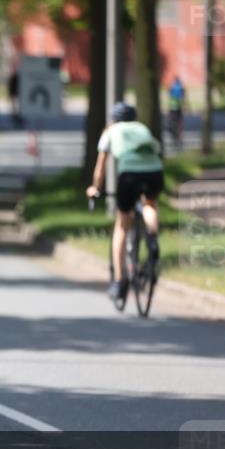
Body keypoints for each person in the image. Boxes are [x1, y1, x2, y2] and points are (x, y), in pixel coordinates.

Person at [86, 102, 164, 301]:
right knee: (149, 204)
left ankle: (120, 282)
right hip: (155, 172)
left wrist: (95, 188)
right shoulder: (142, 128)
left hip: (129, 174)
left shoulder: (111, 131)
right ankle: (153, 238)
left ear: (113, 118)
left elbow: (100, 166)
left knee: (122, 224)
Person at [167, 76, 185, 147]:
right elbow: (183, 97)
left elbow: (170, 96)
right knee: (179, 121)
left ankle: (174, 134)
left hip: (172, 106)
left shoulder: (172, 86)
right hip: (179, 107)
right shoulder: (181, 87)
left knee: (172, 120)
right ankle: (178, 135)